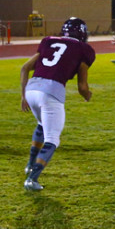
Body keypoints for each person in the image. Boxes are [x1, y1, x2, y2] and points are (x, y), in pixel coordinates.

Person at [19, 17, 95, 191]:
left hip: (32, 89)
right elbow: (82, 85)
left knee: (41, 125)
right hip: (51, 92)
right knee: (52, 139)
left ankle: (30, 165)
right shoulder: (84, 49)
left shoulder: (48, 41)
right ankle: (32, 179)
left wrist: (23, 96)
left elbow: (25, 68)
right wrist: (87, 95)